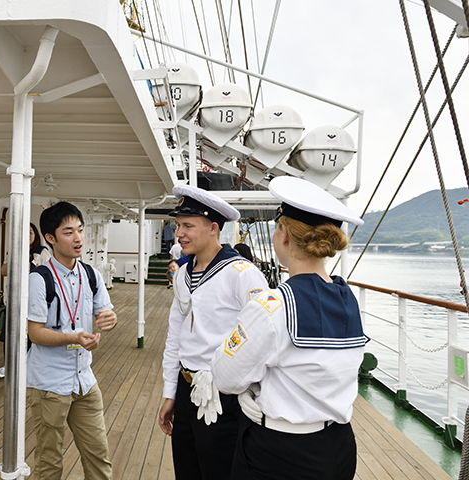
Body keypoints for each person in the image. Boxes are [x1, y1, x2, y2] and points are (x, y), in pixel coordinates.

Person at [211, 176, 368, 479]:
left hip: (281, 454)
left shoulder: (271, 306)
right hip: (339, 448)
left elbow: (225, 377)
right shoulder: (347, 298)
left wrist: (253, 388)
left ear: (283, 235)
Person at [157, 184, 269, 480]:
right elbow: (175, 336)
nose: (179, 234)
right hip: (186, 388)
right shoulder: (182, 274)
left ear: (213, 228)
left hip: (222, 395)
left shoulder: (242, 274)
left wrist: (249, 391)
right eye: (178, 225)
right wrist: (170, 393)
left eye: (188, 226)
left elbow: (264, 337)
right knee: (187, 469)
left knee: (219, 471)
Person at [26, 201, 117, 480]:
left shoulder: (91, 275)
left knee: (98, 456)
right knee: (49, 461)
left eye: (80, 230)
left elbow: (105, 313)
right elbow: (34, 333)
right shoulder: (39, 279)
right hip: (50, 384)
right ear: (50, 238)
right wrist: (74, 338)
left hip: (84, 381)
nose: (78, 238)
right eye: (68, 232)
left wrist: (109, 320)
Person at [0, 222, 51, 378]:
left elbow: (49, 274)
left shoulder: (42, 252)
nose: (28, 235)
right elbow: (4, 271)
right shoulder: (14, 251)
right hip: (14, 299)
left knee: (31, 333)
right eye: (24, 232)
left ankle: (29, 365)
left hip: (32, 300)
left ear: (36, 235)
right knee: (10, 333)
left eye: (31, 232)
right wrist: (17, 255)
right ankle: (8, 365)